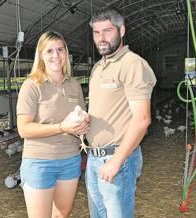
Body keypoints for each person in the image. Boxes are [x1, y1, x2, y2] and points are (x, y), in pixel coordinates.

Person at [85, 7, 157, 218]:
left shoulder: (132, 64)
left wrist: (116, 161)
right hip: (94, 158)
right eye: (96, 33)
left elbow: (142, 119)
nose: (101, 38)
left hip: (117, 158)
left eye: (107, 31)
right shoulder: (98, 67)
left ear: (122, 30)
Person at [16, 31, 89, 218]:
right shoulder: (32, 85)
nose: (55, 55)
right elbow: (24, 129)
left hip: (70, 160)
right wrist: (61, 127)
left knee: (62, 214)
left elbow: (79, 117)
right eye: (49, 51)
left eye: (60, 49)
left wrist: (83, 126)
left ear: (66, 53)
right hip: (40, 161)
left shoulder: (74, 85)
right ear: (41, 55)